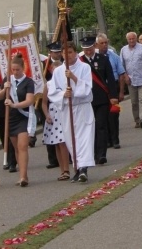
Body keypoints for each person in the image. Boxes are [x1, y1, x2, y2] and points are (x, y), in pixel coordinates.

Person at [50, 44, 95, 183]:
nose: (68, 55)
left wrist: (74, 78)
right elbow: (53, 91)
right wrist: (64, 94)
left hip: (82, 108)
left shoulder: (84, 67)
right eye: (65, 53)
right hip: (68, 109)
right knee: (71, 140)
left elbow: (87, 88)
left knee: (84, 139)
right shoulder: (58, 71)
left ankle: (83, 169)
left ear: (75, 53)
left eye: (70, 52)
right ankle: (77, 167)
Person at [0, 54, 35, 187]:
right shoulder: (8, 79)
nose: (15, 72)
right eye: (13, 70)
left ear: (23, 68)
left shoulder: (29, 82)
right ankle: (21, 176)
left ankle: (24, 177)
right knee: (16, 148)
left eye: (17, 69)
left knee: (22, 146)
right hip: (11, 118)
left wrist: (14, 105)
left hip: (23, 116)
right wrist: (5, 88)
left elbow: (30, 100)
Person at [80, 36, 117, 165]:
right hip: (85, 100)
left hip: (101, 98)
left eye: (89, 48)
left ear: (94, 47)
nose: (88, 52)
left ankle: (101, 154)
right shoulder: (80, 62)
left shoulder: (103, 59)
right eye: (85, 49)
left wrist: (113, 96)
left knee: (101, 125)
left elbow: (110, 79)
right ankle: (91, 153)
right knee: (89, 127)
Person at [42, 43, 70, 181]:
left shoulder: (66, 82)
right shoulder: (48, 84)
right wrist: (46, 115)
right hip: (53, 113)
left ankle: (67, 168)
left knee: (64, 142)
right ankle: (62, 169)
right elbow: (43, 102)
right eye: (54, 69)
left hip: (63, 111)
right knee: (57, 143)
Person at [96, 33, 126, 150]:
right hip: (101, 90)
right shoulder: (95, 58)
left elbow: (121, 74)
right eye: (101, 43)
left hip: (113, 88)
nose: (104, 45)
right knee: (103, 116)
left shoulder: (114, 56)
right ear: (97, 45)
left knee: (114, 114)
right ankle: (107, 140)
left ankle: (115, 140)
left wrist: (121, 92)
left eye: (106, 43)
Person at [121, 32, 142, 129]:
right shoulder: (123, 50)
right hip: (131, 80)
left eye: (133, 39)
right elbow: (122, 65)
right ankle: (137, 120)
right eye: (129, 39)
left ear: (136, 39)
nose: (131, 41)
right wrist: (125, 76)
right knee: (134, 102)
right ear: (127, 40)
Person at [41, 42, 63, 169]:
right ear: (50, 53)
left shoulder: (64, 63)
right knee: (50, 131)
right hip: (48, 99)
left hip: (60, 100)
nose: (58, 54)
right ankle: (53, 159)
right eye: (55, 52)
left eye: (59, 51)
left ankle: (68, 157)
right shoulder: (44, 65)